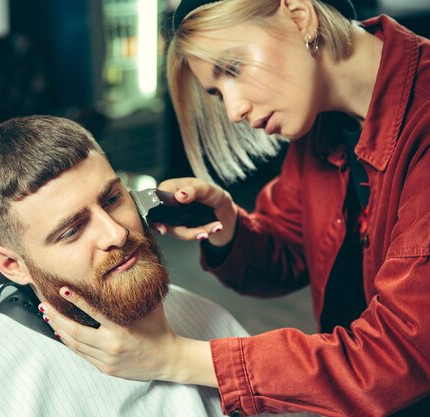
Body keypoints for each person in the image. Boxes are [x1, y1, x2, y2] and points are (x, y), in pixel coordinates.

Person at [40, 1, 430, 416]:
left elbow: (398, 357)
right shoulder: (324, 122)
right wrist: (228, 224)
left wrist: (173, 357)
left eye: (233, 68)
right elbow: (292, 252)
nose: (234, 110)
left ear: (299, 15)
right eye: (217, 92)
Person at [0, 115, 313, 417]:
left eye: (112, 199)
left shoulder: (210, 324)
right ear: (12, 265)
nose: (116, 234)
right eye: (71, 230)